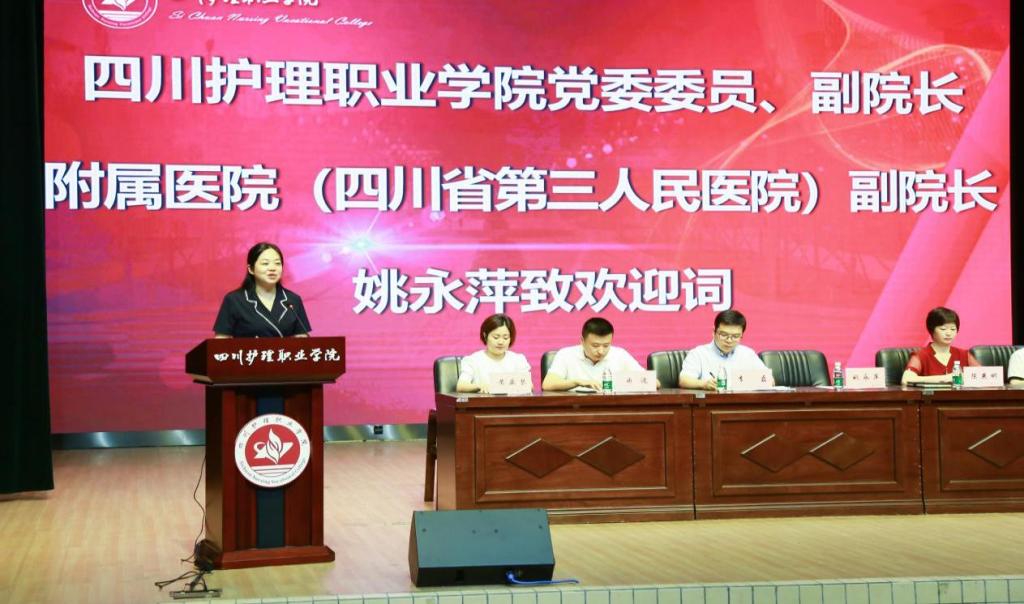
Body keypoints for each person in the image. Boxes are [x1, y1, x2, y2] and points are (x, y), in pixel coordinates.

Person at [213, 242, 311, 338]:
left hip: (284, 350)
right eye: (265, 263)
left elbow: (302, 338)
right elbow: (221, 340)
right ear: (251, 269)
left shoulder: (293, 300)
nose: (272, 268)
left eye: (277, 263)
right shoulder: (234, 300)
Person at [542, 317, 645, 391]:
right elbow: (547, 384)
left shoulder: (620, 355)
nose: (601, 351)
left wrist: (624, 382)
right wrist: (577, 382)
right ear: (582, 341)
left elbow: (650, 382)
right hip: (575, 408)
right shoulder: (566, 354)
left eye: (606, 345)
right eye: (595, 345)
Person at [679, 309, 771, 391]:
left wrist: (736, 381)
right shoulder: (698, 353)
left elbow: (769, 380)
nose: (729, 340)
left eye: (735, 336)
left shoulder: (748, 354)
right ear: (714, 332)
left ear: (742, 335)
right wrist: (704, 384)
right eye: (724, 335)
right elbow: (684, 380)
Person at [901, 306, 979, 385]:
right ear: (932, 330)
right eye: (943, 329)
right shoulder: (921, 355)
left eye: (953, 329)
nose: (948, 333)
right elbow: (906, 379)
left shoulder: (964, 355)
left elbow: (983, 376)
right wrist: (946, 378)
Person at [456, 314, 532, 393]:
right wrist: (479, 386)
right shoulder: (473, 360)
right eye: (496, 337)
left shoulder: (518, 359)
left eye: (505, 338)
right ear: (485, 335)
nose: (501, 342)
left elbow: (529, 385)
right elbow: (461, 386)